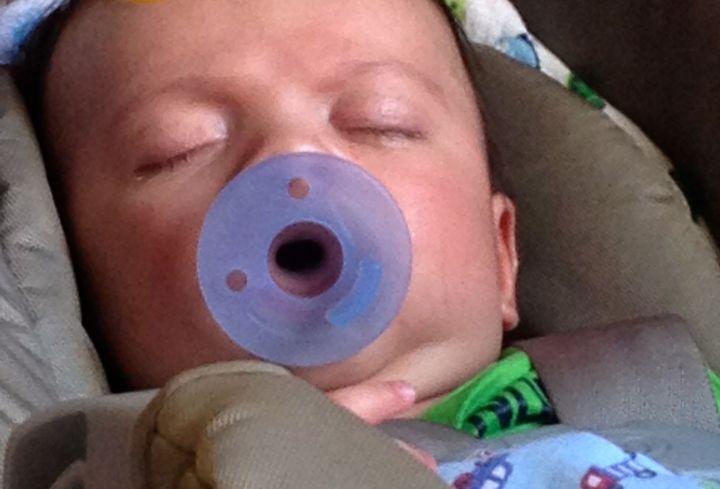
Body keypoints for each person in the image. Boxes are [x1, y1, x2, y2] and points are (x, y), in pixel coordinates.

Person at [6, 0, 720, 485]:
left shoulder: (666, 389)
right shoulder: (106, 468)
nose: (292, 159)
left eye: (383, 121)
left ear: (502, 257)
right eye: (180, 147)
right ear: (88, 291)